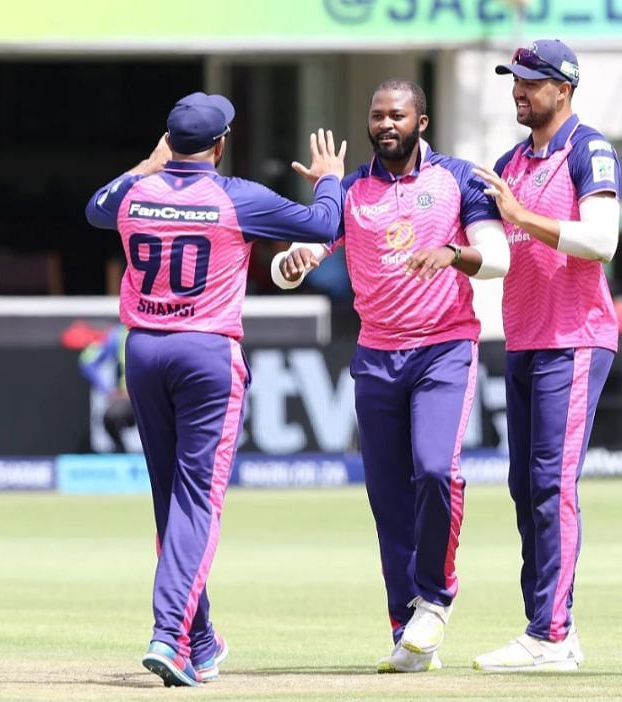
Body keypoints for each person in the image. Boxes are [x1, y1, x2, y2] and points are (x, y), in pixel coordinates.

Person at [85, 92, 346, 687]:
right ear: (221, 145)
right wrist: (329, 179)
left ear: (168, 141)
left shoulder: (134, 193)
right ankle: (170, 635)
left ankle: (200, 639)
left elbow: (95, 208)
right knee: (197, 499)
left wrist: (148, 166)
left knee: (169, 498)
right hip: (206, 352)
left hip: (145, 350)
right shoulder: (235, 197)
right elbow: (324, 223)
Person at [271, 79, 509, 674]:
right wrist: (294, 261)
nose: (385, 124)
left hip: (442, 350)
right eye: (377, 115)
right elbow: (289, 261)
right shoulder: (351, 189)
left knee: (435, 469)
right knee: (387, 497)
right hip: (376, 357)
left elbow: (497, 256)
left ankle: (437, 595)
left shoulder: (456, 179)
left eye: (397, 115)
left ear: (421, 122)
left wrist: (453, 254)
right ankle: (407, 629)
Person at [471, 39, 621, 672]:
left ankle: (552, 634)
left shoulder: (591, 149)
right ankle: (549, 628)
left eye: (531, 81)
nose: (519, 89)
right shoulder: (510, 160)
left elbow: (602, 241)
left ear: (565, 88)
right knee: (524, 486)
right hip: (526, 338)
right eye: (515, 78)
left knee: (551, 484)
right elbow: (482, 238)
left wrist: (521, 216)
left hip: (576, 337)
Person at [78, 323, 135, 452]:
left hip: (159, 396)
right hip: (129, 399)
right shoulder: (118, 334)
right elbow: (87, 361)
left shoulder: (165, 328)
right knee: (111, 418)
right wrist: (109, 390)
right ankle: (122, 454)